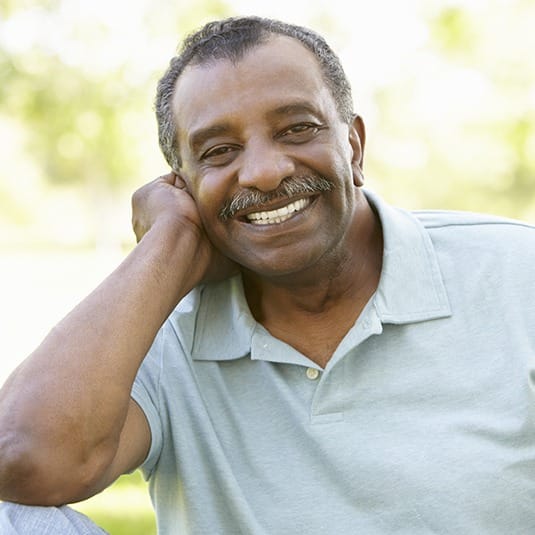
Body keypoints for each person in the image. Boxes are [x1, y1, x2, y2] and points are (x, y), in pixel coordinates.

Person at [1, 14, 535, 535]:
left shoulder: (515, 274)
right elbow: (22, 462)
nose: (263, 171)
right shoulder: (156, 331)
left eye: (297, 129)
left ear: (353, 146)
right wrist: (168, 245)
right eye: (219, 152)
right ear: (181, 185)